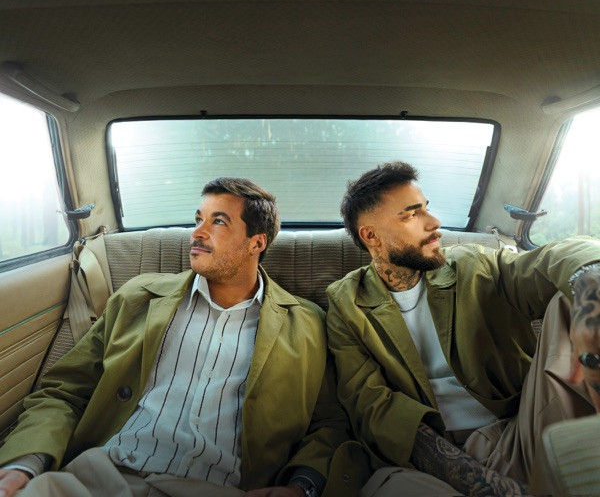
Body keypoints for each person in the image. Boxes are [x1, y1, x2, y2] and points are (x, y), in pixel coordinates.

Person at [0, 178, 356, 497]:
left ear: (256, 243)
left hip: (219, 488)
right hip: (99, 476)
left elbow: (329, 425)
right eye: (198, 219)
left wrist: (302, 486)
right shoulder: (138, 297)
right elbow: (64, 391)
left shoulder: (306, 324)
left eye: (218, 221)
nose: (197, 233)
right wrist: (24, 464)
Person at [326, 161, 600, 496]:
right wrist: (492, 488)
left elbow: (546, 261)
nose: (434, 222)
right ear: (371, 236)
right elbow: (373, 409)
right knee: (388, 488)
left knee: (575, 295)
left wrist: (591, 279)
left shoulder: (473, 264)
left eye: (426, 208)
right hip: (436, 464)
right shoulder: (346, 304)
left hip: (522, 430)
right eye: (412, 215)